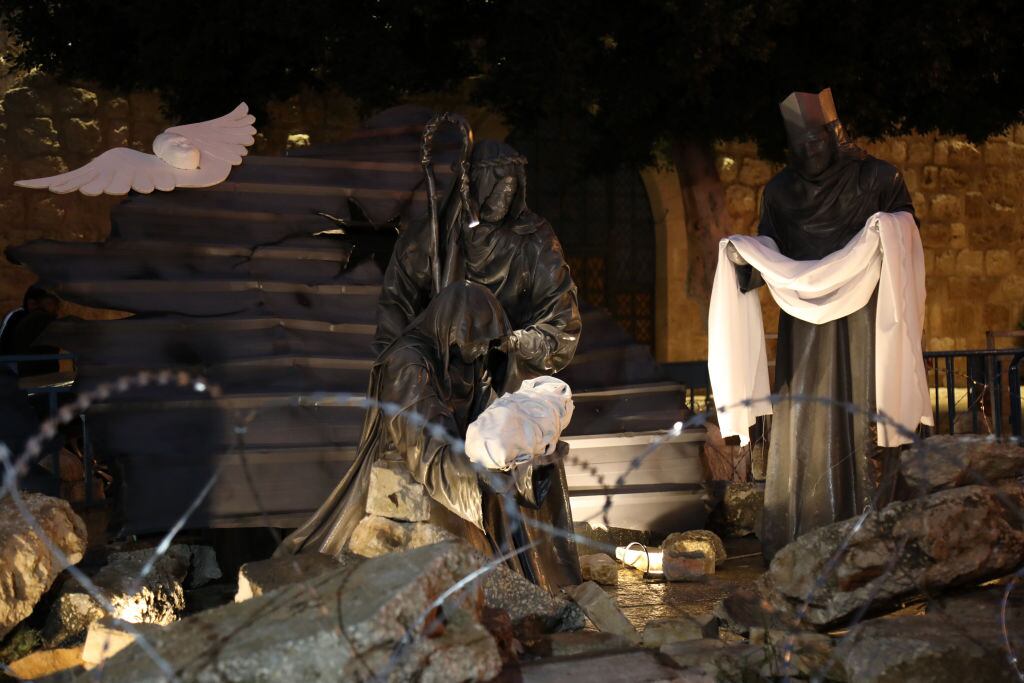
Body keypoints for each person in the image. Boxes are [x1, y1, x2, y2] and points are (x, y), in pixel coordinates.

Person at [277, 281, 582, 591]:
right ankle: (496, 589)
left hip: (455, 455)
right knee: (465, 531)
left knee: (543, 469)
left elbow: (490, 416)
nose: (480, 350)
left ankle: (544, 582)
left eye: (485, 342)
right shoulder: (408, 364)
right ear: (450, 328)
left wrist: (526, 445)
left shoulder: (471, 359)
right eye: (475, 340)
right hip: (413, 463)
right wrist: (485, 474)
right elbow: (422, 443)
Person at [730, 89, 918, 560]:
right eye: (801, 145)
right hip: (806, 319)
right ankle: (803, 528)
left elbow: (909, 233)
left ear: (834, 134)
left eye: (817, 141)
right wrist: (745, 259)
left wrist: (885, 232)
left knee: (863, 407)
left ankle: (871, 529)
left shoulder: (877, 178)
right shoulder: (780, 192)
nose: (810, 152)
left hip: (862, 315)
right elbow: (771, 247)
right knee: (804, 415)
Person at [374, 140, 581, 392]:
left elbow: (562, 325)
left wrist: (507, 343)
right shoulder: (430, 236)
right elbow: (396, 306)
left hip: (505, 370)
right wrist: (408, 358)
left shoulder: (535, 240)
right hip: (438, 369)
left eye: (509, 191)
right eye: (493, 189)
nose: (502, 200)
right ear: (471, 187)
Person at [0, 286, 61, 377]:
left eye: (38, 304)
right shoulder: (16, 315)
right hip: (12, 360)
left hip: (27, 363)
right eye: (32, 303)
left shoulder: (40, 317)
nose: (35, 307)